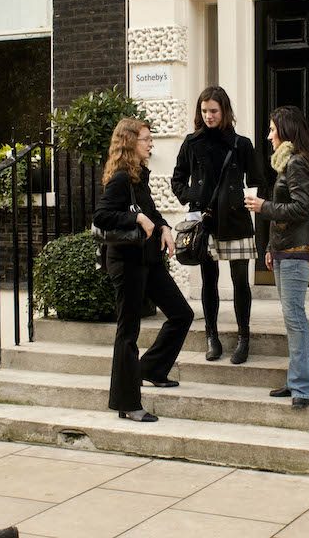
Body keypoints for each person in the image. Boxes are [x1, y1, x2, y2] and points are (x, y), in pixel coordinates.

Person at [94, 118, 194, 423]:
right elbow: (102, 216)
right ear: (129, 143)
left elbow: (149, 210)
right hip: (128, 264)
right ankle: (127, 402)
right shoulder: (121, 179)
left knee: (181, 314)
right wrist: (136, 221)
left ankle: (151, 368)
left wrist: (162, 226)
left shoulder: (138, 176)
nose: (151, 144)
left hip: (148, 260)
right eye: (146, 139)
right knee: (128, 332)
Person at [171, 86, 266, 364]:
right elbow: (177, 180)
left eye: (213, 110)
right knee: (209, 281)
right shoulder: (191, 142)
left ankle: (243, 338)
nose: (209, 116)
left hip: (236, 219)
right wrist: (194, 197)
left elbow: (259, 179)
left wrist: (247, 199)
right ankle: (211, 336)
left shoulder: (241, 144)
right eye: (204, 111)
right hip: (204, 221)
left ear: (224, 111)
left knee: (240, 283)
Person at [245, 105, 309, 409]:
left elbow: (302, 210)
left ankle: (302, 387)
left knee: (295, 318)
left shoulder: (297, 164)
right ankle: (297, 381)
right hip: (283, 251)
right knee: (293, 319)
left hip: (295, 252)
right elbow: (286, 213)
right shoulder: (288, 163)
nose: (269, 136)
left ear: (286, 131)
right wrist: (269, 249)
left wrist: (263, 206)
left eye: (273, 130)